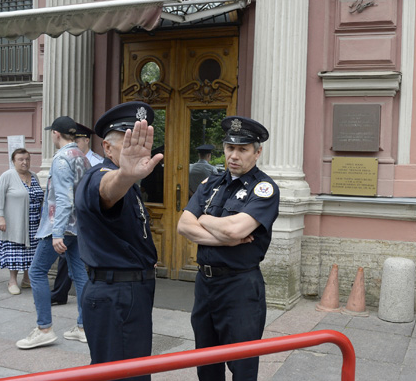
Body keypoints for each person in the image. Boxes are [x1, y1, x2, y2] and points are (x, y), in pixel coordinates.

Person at [178, 116, 280, 381]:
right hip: (205, 285)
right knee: (206, 360)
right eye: (229, 148)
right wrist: (226, 237)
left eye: (243, 149)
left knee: (242, 364)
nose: (234, 155)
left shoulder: (264, 189)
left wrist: (204, 218)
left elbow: (236, 229)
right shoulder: (211, 183)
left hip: (240, 288)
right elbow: (183, 225)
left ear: (257, 152)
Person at [75, 101, 162, 380]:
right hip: (116, 295)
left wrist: (129, 177)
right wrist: (125, 174)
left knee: (127, 371)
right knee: (124, 375)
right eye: (125, 142)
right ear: (107, 149)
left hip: (128, 293)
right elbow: (107, 191)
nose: (133, 148)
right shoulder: (99, 177)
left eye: (137, 141)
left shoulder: (131, 185)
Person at [16, 116, 90, 350]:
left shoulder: (60, 159)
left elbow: (63, 199)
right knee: (80, 275)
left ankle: (44, 329)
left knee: (37, 272)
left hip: (60, 227)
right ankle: (84, 327)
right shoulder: (82, 157)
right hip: (77, 227)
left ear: (56, 134)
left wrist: (57, 233)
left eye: (51, 133)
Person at [51, 122, 104, 306]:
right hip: (71, 220)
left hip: (84, 218)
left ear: (86, 140)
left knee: (81, 263)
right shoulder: (71, 157)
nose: (75, 142)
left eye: (78, 139)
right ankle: (60, 294)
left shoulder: (95, 161)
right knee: (68, 262)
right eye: (74, 138)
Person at [0, 148, 43, 295]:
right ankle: (12, 281)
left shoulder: (34, 176)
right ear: (13, 161)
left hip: (34, 223)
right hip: (14, 222)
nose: (25, 162)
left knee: (32, 253)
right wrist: (0, 217)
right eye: (21, 159)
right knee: (15, 251)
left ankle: (27, 279)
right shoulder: (8, 176)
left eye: (27, 159)